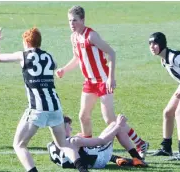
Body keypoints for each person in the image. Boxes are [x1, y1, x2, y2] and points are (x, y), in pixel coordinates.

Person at [55, 5, 149, 158]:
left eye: (75, 21)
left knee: (111, 121)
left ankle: (139, 143)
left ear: (83, 20)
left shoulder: (91, 36)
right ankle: (87, 147)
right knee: (83, 116)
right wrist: (64, 69)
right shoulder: (73, 37)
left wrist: (111, 78)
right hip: (89, 82)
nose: (72, 24)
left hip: (103, 81)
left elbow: (111, 53)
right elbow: (78, 58)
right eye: (70, 21)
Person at [0, 25, 80, 172]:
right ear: (39, 42)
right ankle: (83, 169)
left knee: (19, 145)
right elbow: (55, 65)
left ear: (26, 43)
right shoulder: (49, 57)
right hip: (56, 107)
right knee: (63, 144)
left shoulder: (23, 55)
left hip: (37, 109)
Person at [148, 32, 180, 161]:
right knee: (168, 112)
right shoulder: (164, 60)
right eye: (150, 44)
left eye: (155, 43)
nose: (152, 46)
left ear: (162, 44)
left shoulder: (174, 57)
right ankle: (166, 148)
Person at [47, 115, 147, 171]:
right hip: (98, 160)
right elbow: (102, 141)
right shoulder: (74, 141)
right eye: (69, 126)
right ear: (63, 129)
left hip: (88, 161)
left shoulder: (51, 146)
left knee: (89, 149)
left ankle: (117, 159)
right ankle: (137, 158)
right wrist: (118, 126)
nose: (71, 128)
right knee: (116, 125)